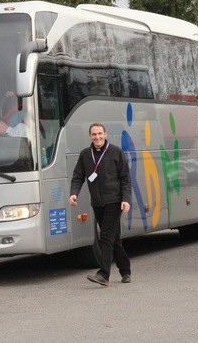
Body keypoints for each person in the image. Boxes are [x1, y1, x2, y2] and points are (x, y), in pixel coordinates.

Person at [69, 123, 132, 286]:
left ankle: (103, 274)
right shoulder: (85, 154)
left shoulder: (115, 152)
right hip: (97, 202)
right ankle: (125, 270)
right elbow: (78, 176)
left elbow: (125, 178)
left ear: (105, 134)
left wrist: (126, 199)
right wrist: (74, 193)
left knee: (105, 236)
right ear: (90, 136)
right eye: (94, 134)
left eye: (100, 133)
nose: (97, 137)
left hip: (114, 200)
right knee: (113, 238)